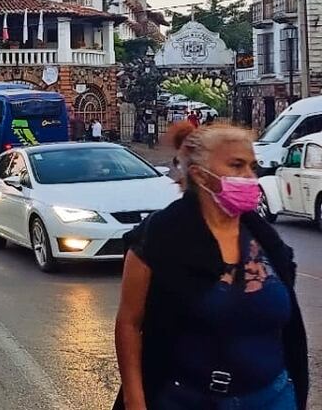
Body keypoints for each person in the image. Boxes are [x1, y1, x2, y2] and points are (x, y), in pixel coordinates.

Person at [113, 121, 308, 410]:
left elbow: (291, 328)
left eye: (252, 167)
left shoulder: (264, 238)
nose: (249, 177)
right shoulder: (159, 237)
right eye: (236, 165)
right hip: (187, 399)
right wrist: (135, 401)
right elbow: (129, 323)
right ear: (199, 174)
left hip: (273, 397)